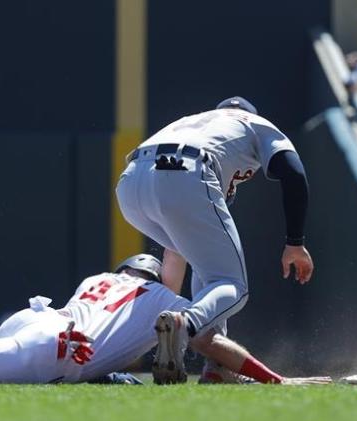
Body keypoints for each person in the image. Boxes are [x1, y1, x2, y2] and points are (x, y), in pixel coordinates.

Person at [0, 255, 328, 385]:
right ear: (153, 276)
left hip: (36, 321)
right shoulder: (158, 298)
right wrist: (270, 377)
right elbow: (213, 346)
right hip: (58, 347)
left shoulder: (97, 278)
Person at [116, 96, 314, 383]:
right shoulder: (255, 123)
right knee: (232, 284)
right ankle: (186, 323)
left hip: (130, 184)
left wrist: (164, 305)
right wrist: (295, 242)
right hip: (185, 168)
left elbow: (177, 254)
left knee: (209, 272)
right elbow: (294, 174)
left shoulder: (190, 121)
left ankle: (216, 366)